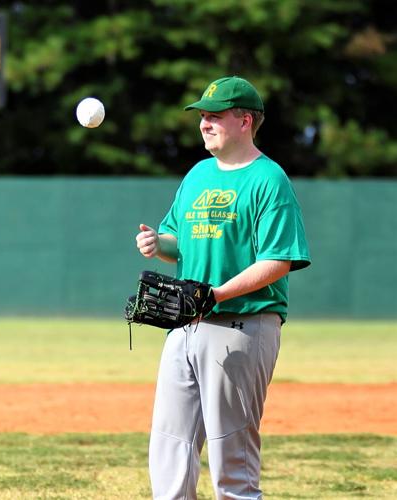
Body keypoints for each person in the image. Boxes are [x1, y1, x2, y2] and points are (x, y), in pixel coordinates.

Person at [135, 76, 311, 499]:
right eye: (202, 116)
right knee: (169, 450)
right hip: (186, 325)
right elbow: (178, 240)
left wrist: (216, 294)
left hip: (241, 327)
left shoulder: (269, 180)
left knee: (232, 460)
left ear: (245, 120)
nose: (204, 124)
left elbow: (278, 259)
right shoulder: (197, 175)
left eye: (215, 116)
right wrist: (158, 244)